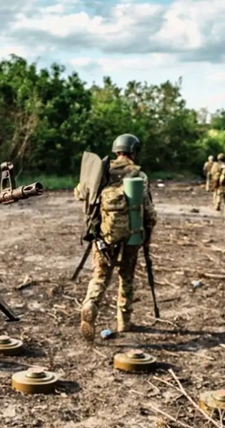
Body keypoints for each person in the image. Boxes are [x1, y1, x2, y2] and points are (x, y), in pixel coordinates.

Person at [78, 134, 157, 343]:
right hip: (131, 237)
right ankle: (124, 321)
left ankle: (90, 304)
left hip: (103, 235)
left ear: (116, 151)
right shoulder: (138, 174)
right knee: (126, 276)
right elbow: (148, 211)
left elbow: (80, 194)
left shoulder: (101, 171)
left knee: (101, 275)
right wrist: (148, 234)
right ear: (134, 151)